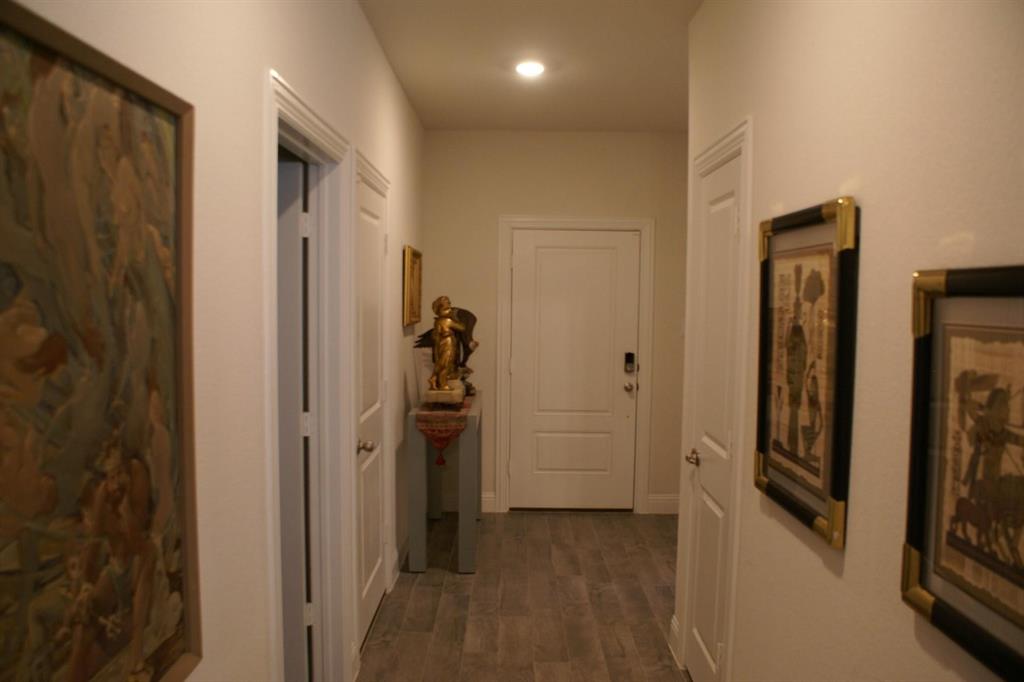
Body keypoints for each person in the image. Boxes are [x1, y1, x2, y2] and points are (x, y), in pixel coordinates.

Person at [428, 296, 465, 391]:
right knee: (446, 364)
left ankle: (433, 379)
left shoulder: (437, 322)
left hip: (443, 343)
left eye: (450, 308)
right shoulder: (447, 321)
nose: (449, 311)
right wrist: (454, 318)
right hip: (447, 344)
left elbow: (435, 336)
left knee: (442, 363)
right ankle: (443, 384)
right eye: (446, 309)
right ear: (439, 311)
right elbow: (462, 327)